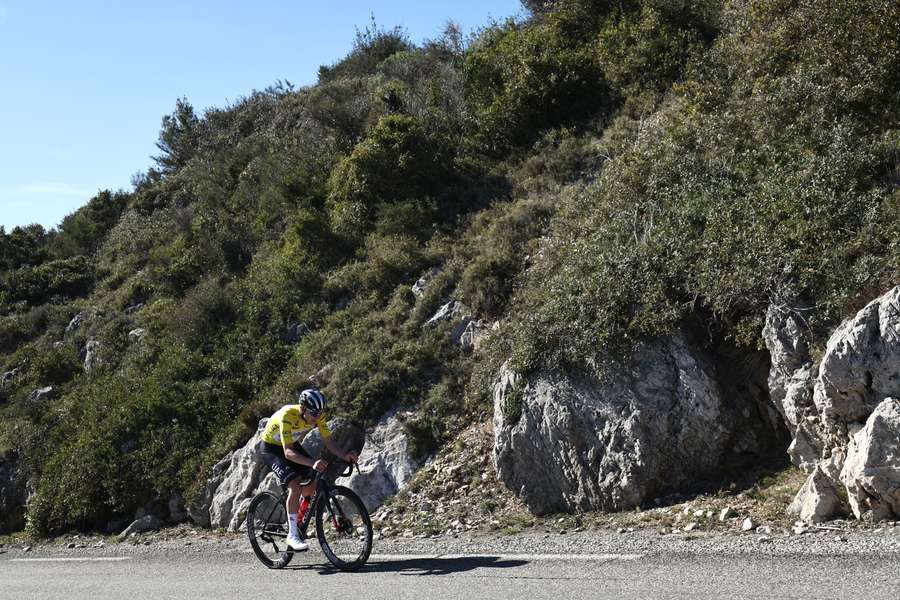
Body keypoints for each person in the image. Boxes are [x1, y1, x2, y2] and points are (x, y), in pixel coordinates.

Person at [258, 388, 357, 551]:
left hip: (291, 444)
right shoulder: (287, 415)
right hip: (271, 449)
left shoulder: (318, 415)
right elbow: (288, 453)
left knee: (312, 485)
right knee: (295, 486)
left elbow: (328, 441)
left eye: (320, 413)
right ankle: (292, 535)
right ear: (303, 408)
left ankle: (297, 522)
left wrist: (345, 455)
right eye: (314, 413)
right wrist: (312, 463)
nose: (317, 418)